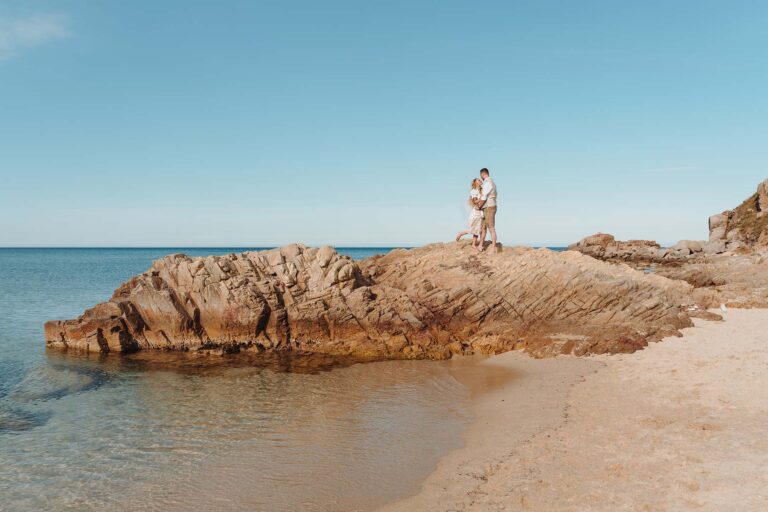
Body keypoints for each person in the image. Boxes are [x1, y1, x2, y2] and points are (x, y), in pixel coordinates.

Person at [455, 178, 485, 248]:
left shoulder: (481, 190)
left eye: (480, 180)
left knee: (478, 229)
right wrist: (483, 198)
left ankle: (473, 244)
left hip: (480, 212)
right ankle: (461, 233)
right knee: (472, 228)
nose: (480, 181)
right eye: (478, 180)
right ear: (475, 183)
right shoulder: (474, 191)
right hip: (476, 212)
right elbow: (475, 201)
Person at [475, 168, 498, 253]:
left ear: (482, 174)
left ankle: (493, 248)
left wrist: (479, 205)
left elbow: (484, 197)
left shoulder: (488, 183)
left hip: (489, 207)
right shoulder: (490, 182)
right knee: (483, 228)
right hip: (488, 207)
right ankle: (480, 246)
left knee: (491, 228)